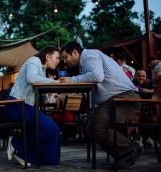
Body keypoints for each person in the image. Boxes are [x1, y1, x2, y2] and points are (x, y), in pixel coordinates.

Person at [59, 41, 143, 169]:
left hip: (124, 98)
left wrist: (72, 79)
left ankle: (132, 148)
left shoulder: (89, 55)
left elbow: (97, 76)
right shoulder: (84, 62)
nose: (64, 61)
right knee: (88, 126)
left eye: (66, 57)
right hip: (113, 100)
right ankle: (123, 154)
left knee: (95, 126)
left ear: (75, 52)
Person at [4, 45, 61, 166]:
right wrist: (56, 81)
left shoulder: (43, 70)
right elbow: (32, 79)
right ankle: (17, 145)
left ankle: (43, 158)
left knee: (52, 128)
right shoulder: (33, 61)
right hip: (16, 106)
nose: (58, 61)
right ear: (47, 56)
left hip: (27, 107)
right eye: (56, 58)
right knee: (51, 128)